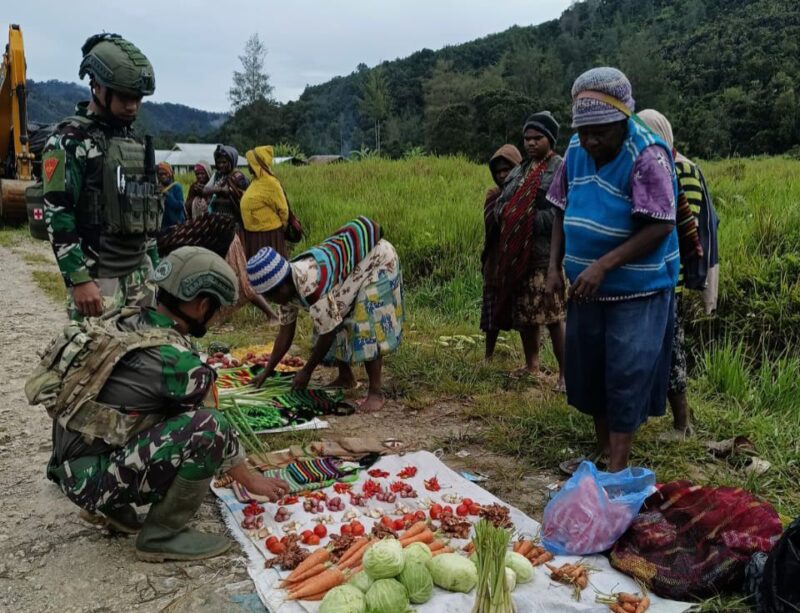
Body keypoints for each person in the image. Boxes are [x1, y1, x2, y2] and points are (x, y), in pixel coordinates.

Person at [26, 246, 290, 562]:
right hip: (90, 481)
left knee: (146, 414)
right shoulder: (177, 363)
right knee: (210, 427)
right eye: (215, 310)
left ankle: (115, 509)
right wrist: (249, 479)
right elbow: (208, 424)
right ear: (202, 305)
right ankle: (162, 534)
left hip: (67, 466)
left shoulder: (123, 320)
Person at [545, 67, 680, 473]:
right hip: (587, 289)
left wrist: (603, 266)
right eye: (583, 131)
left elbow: (661, 223)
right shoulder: (574, 150)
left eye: (599, 132)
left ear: (624, 119)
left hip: (636, 289)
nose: (590, 141)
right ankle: (602, 450)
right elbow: (560, 208)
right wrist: (553, 267)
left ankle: (618, 466)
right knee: (589, 370)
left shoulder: (647, 154)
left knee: (625, 372)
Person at [42, 33, 161, 321]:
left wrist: (156, 268)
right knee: (97, 359)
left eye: (138, 99)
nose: (132, 106)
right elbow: (57, 213)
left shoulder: (133, 141)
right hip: (98, 277)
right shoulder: (69, 141)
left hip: (140, 272)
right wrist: (79, 279)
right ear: (96, 86)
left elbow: (147, 208)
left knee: (146, 356)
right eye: (124, 96)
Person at [246, 217, 403, 413]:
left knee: (366, 322)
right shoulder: (284, 289)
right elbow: (285, 333)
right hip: (352, 270)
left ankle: (375, 391)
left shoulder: (309, 283)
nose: (272, 301)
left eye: (272, 296)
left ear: (283, 284)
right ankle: (346, 377)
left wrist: (306, 372)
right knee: (334, 313)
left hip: (377, 259)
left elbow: (328, 333)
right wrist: (267, 372)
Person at [638, 109, 707, 438]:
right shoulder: (649, 166)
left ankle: (683, 424)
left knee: (672, 349)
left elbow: (682, 224)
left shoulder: (682, 168)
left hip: (668, 276)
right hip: (644, 275)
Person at [495, 112, 566, 388]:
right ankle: (532, 365)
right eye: (527, 139)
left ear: (551, 139)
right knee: (526, 314)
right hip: (519, 256)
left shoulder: (560, 169)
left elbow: (560, 213)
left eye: (537, 138)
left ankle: (565, 374)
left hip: (547, 257)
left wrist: (525, 218)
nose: (531, 143)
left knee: (553, 316)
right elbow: (504, 204)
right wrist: (512, 216)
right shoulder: (519, 170)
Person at [480, 144, 522, 360]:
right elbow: (493, 226)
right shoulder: (493, 196)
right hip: (496, 263)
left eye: (507, 169)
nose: (502, 175)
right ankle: (488, 356)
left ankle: (531, 360)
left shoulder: (526, 194)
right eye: (498, 171)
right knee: (491, 317)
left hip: (519, 262)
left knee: (525, 315)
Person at [240, 145, 290, 259]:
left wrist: (280, 230)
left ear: (256, 164)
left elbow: (283, 210)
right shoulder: (255, 181)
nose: (248, 165)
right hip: (254, 235)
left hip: (268, 235)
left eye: (250, 163)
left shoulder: (271, 183)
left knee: (269, 269)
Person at [205, 144, 248, 223]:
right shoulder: (219, 175)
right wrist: (220, 190)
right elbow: (205, 190)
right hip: (218, 218)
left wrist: (216, 195)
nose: (221, 165)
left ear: (232, 160)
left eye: (224, 162)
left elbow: (241, 200)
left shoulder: (238, 177)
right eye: (218, 162)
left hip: (232, 220)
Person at [157, 162, 185, 230]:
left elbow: (180, 205)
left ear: (170, 174)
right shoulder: (157, 188)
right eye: (161, 174)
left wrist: (167, 194)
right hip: (163, 226)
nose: (163, 176)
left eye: (165, 174)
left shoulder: (176, 187)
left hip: (176, 225)